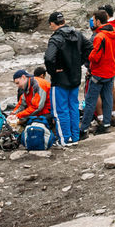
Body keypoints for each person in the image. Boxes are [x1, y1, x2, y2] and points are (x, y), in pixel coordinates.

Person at [43, 11, 92, 145]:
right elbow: (90, 47)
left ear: (53, 24)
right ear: (63, 21)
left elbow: (48, 57)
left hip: (60, 80)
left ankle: (65, 139)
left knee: (60, 110)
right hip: (75, 77)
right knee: (73, 108)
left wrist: (53, 71)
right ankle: (74, 138)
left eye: (50, 24)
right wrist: (79, 63)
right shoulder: (77, 34)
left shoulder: (55, 38)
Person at [82, 9, 115, 136]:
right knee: (107, 96)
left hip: (99, 72)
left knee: (91, 99)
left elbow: (95, 56)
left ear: (98, 21)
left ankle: (83, 129)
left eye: (94, 19)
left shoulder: (99, 37)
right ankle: (106, 124)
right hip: (111, 69)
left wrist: (88, 57)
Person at [103, 3, 115, 127]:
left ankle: (106, 117)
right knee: (111, 88)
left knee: (107, 89)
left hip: (108, 61)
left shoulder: (109, 28)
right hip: (114, 60)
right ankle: (113, 114)